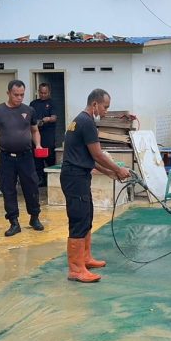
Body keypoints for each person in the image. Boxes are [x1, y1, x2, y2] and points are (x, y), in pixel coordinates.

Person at [62, 88, 131, 283]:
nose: (106, 111)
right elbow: (98, 154)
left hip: (79, 176)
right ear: (95, 104)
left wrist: (109, 172)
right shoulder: (87, 123)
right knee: (78, 220)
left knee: (87, 215)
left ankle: (85, 258)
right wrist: (118, 170)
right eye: (105, 107)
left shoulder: (81, 121)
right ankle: (76, 270)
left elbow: (88, 157)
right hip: (74, 178)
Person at [0, 80, 43, 237]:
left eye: (22, 95)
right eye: (16, 95)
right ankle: (14, 222)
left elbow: (34, 130)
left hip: (26, 157)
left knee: (32, 187)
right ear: (8, 93)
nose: (19, 98)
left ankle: (34, 217)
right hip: (6, 158)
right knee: (8, 189)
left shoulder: (29, 110)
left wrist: (38, 145)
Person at [29, 83, 57, 187]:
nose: (43, 95)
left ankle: (52, 178)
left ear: (49, 92)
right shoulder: (33, 104)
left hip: (48, 134)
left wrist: (47, 119)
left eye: (45, 93)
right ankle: (40, 179)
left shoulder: (52, 103)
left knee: (49, 156)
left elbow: (54, 117)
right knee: (36, 157)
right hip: (35, 133)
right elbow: (29, 117)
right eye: (41, 92)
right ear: (38, 91)